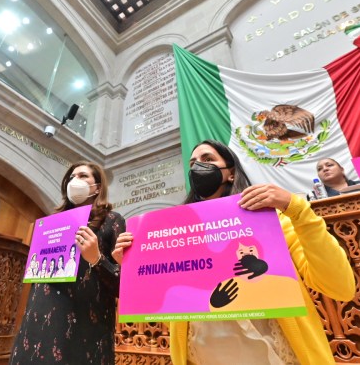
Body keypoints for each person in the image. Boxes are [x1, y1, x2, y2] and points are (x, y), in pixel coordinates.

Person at [113, 140, 355, 365]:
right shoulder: (178, 237)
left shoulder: (271, 222)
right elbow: (165, 306)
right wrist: (134, 265)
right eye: (193, 163)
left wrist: (297, 210)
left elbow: (339, 287)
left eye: (208, 159)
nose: (198, 166)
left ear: (230, 172)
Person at [11, 160, 126, 365]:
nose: (75, 180)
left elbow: (122, 285)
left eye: (83, 176)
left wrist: (97, 259)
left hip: (84, 323)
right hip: (39, 317)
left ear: (97, 187)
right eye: (72, 177)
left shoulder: (112, 220)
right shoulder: (51, 223)